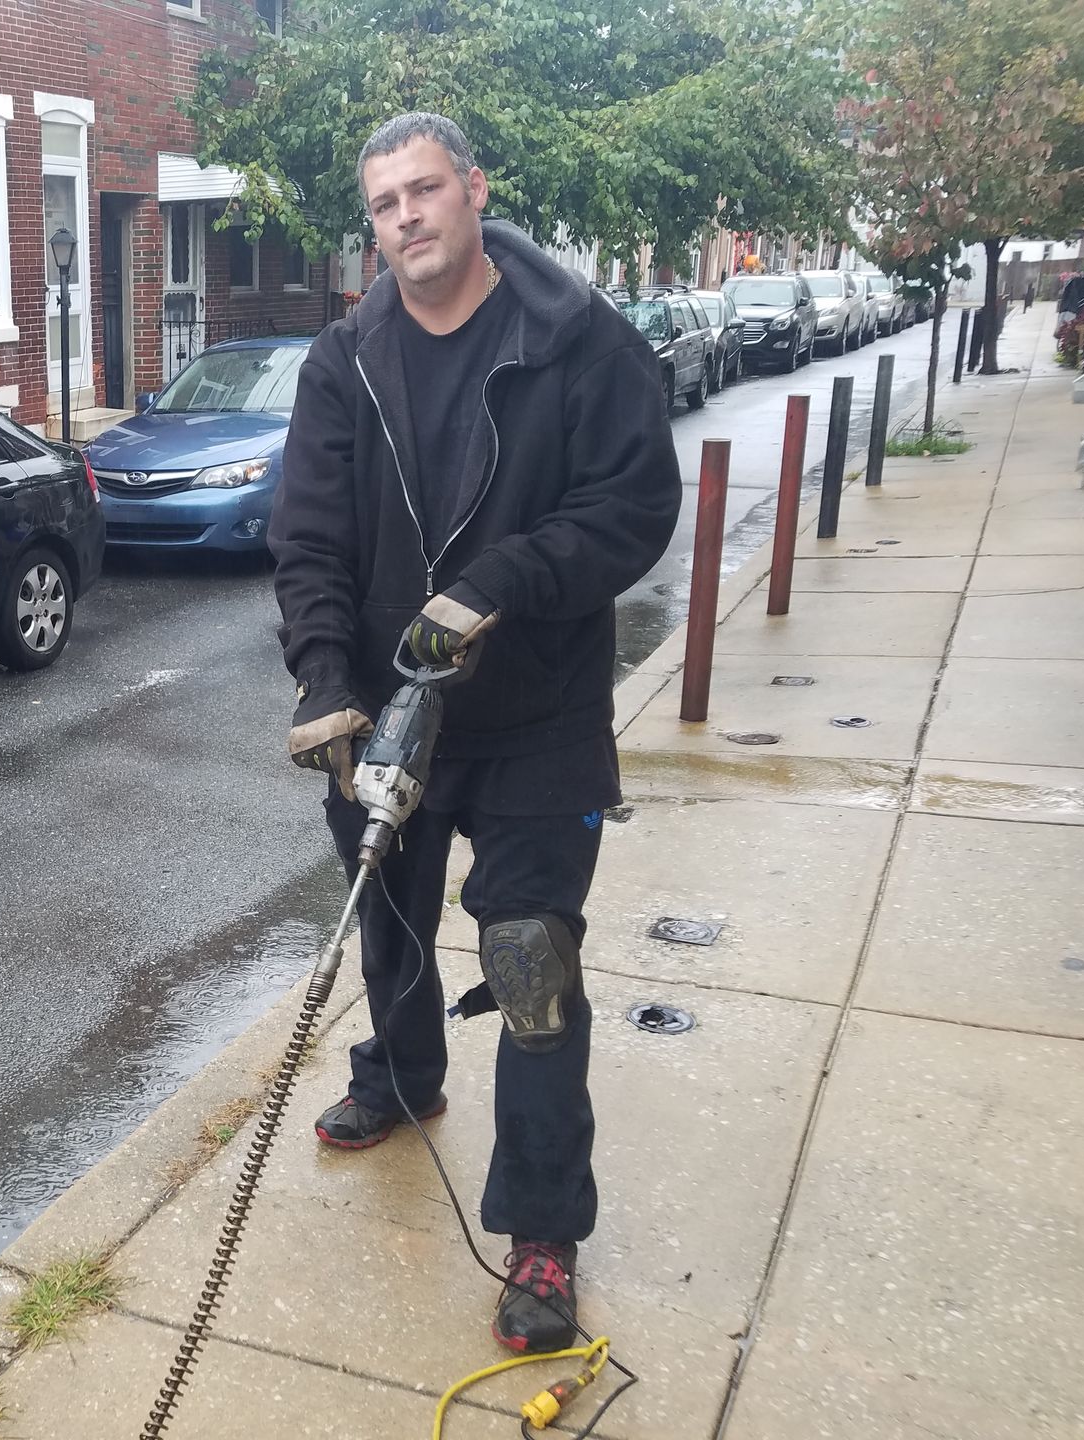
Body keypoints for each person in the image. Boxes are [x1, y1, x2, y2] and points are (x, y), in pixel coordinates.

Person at [269, 112, 680, 1355]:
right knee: (387, 921)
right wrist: (325, 678)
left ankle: (543, 1230)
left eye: (426, 190)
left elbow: (634, 505)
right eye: (385, 201)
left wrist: (504, 577)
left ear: (473, 191)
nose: (406, 216)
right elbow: (309, 540)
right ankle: (401, 1072)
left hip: (540, 716)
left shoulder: (576, 343)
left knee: (528, 963)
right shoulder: (346, 361)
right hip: (391, 713)